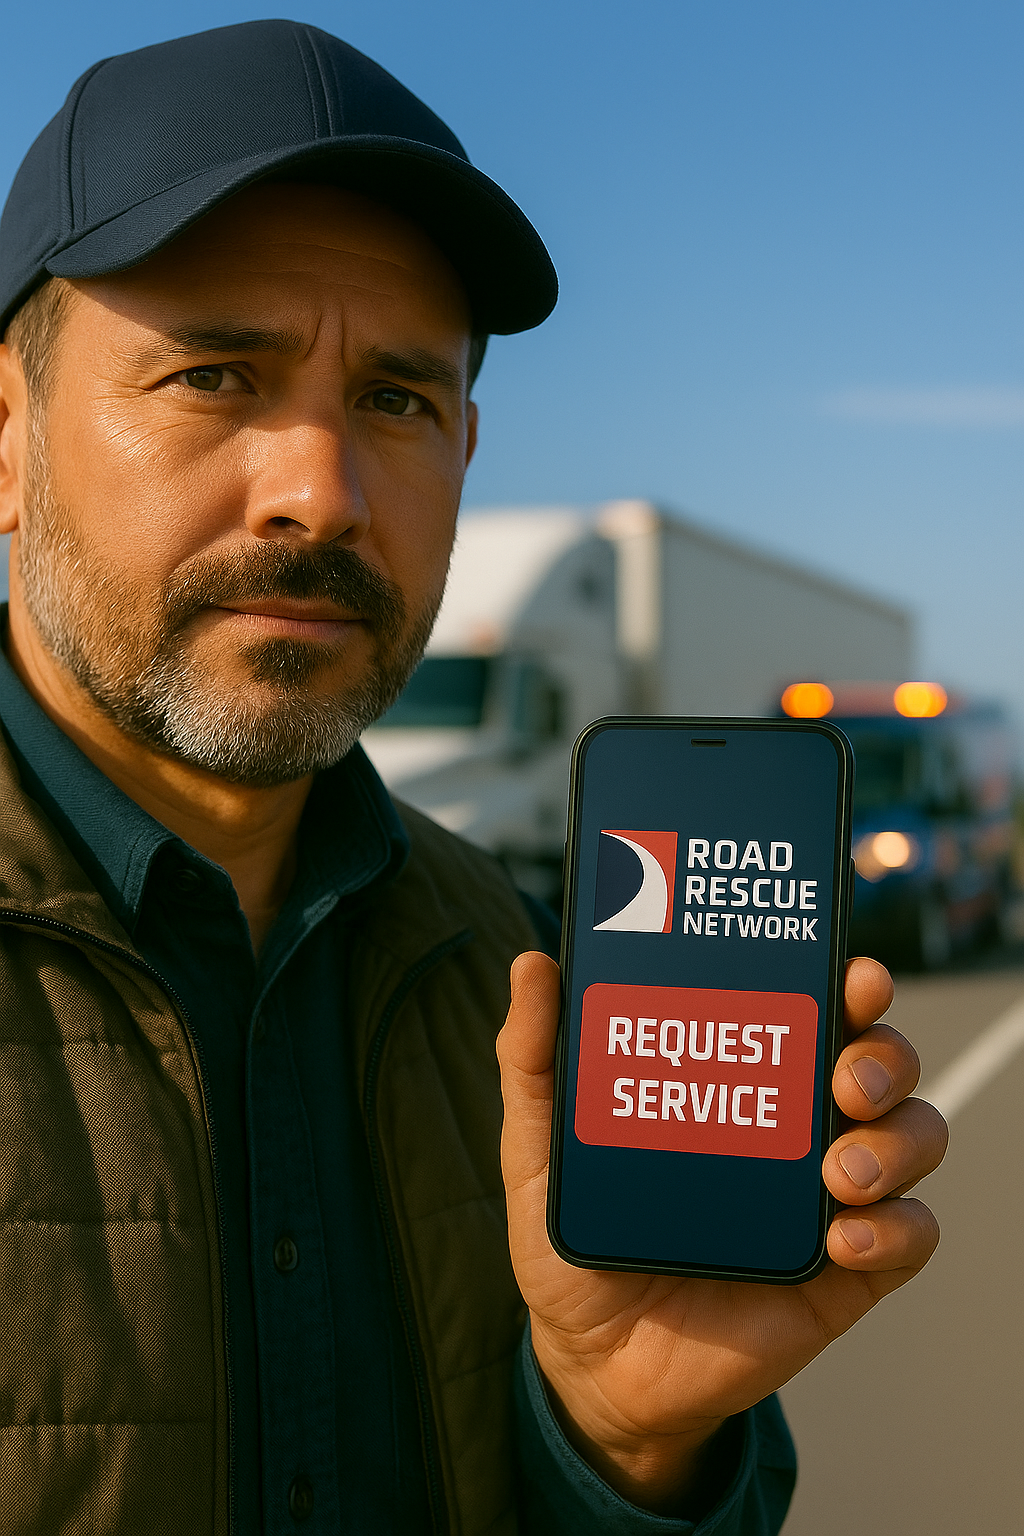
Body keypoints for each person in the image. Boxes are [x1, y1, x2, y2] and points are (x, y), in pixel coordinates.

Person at [0, 19, 946, 1536]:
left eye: (396, 400)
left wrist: (627, 1446)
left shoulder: (497, 954)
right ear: (8, 437)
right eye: (212, 375)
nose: (319, 489)